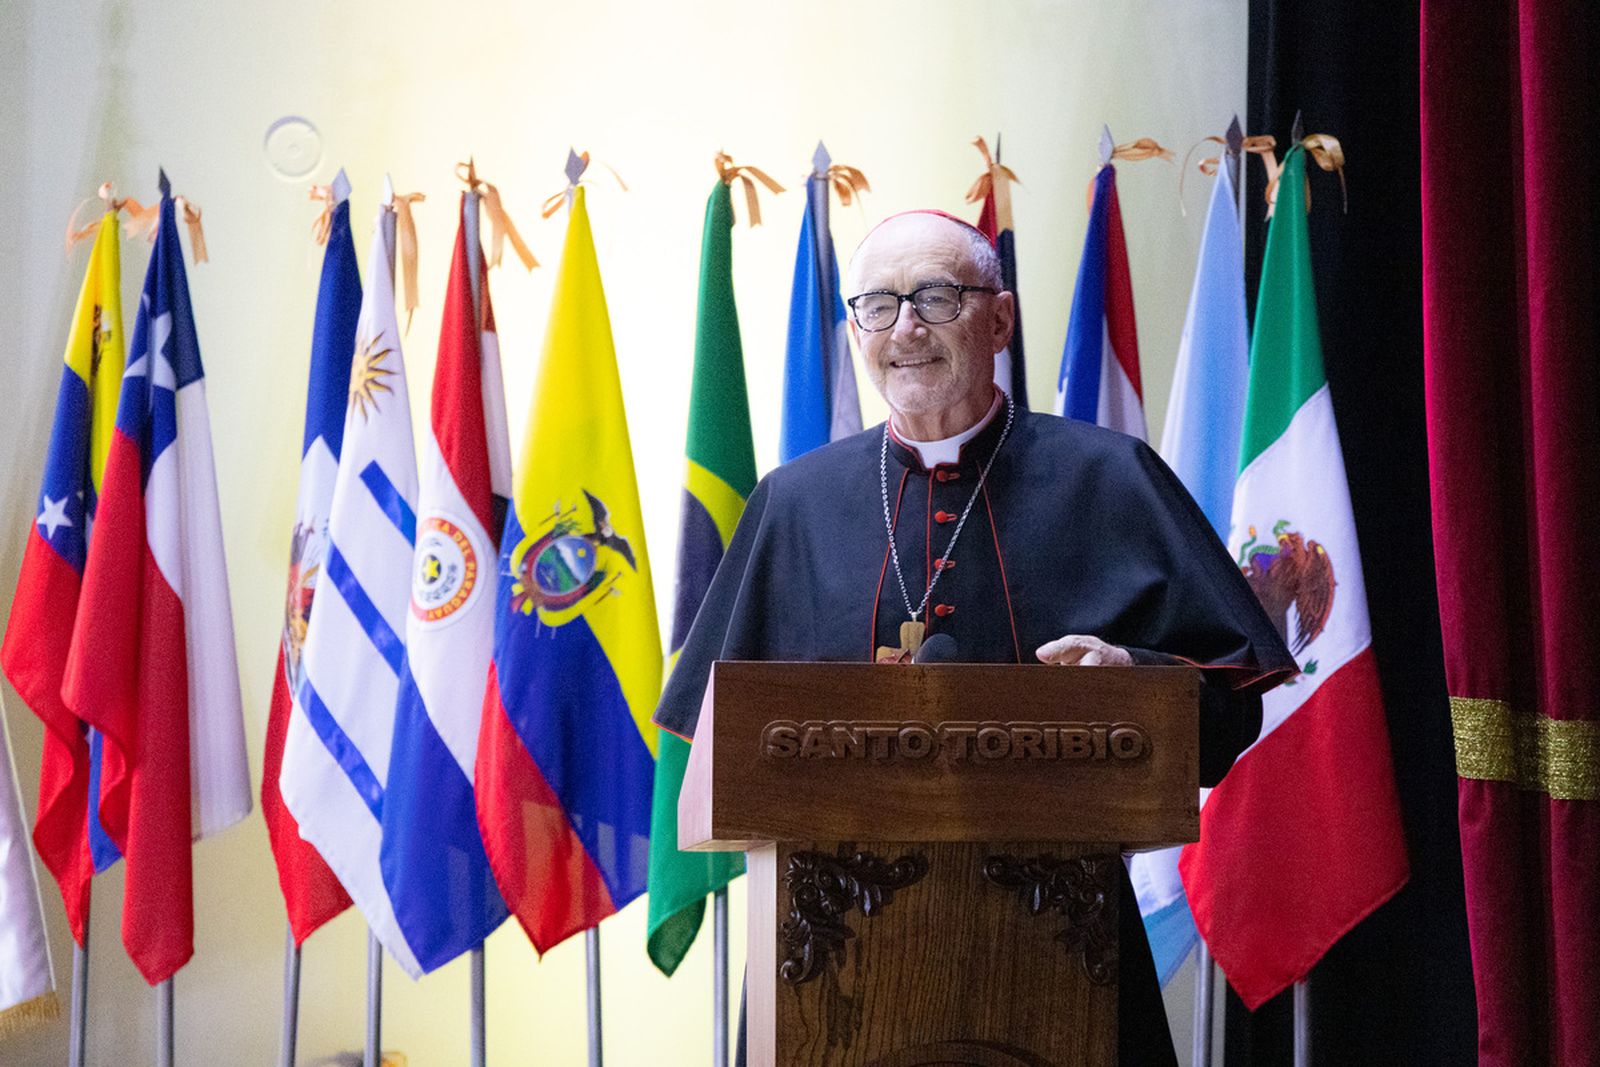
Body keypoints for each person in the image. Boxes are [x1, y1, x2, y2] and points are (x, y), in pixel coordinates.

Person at [655, 209, 1296, 1066]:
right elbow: (711, 753)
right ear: (855, 330)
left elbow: (1227, 720)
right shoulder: (793, 503)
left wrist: (1135, 679)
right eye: (878, 305)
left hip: (1059, 952)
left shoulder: (1111, 478)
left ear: (1000, 319)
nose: (906, 327)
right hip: (827, 971)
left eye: (935, 296)